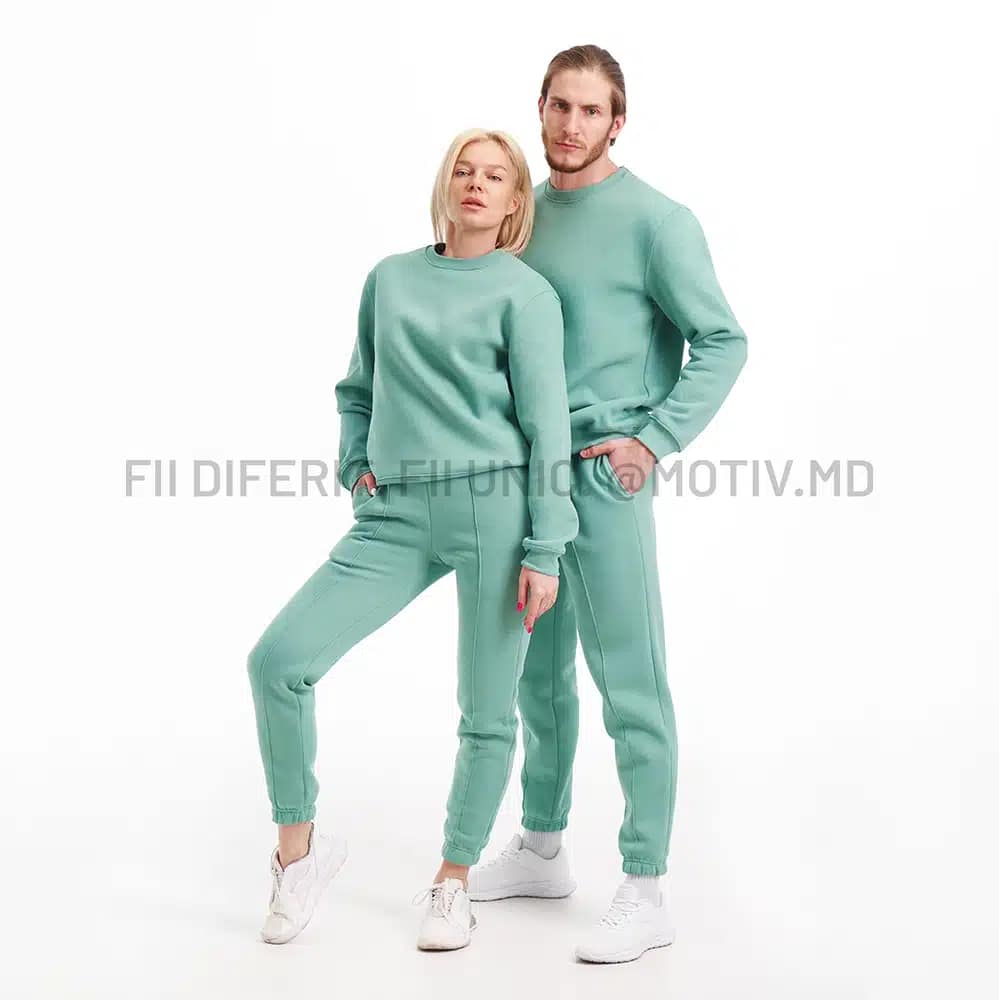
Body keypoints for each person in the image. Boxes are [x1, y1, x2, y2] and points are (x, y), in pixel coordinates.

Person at [246, 128, 579, 951]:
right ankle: (298, 856)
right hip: (393, 514)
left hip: (496, 512)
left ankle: (452, 882)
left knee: (485, 711)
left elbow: (548, 427)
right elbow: (356, 388)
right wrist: (354, 463)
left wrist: (544, 548)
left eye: (494, 174)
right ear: (445, 184)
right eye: (463, 170)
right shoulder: (390, 279)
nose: (475, 183)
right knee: (278, 662)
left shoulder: (526, 294)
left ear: (514, 200)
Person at [468, 45, 749, 964]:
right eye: (559, 106)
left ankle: (646, 884)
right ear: (539, 108)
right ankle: (542, 845)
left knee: (630, 677)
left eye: (591, 111)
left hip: (602, 472)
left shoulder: (658, 223)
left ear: (617, 122)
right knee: (536, 673)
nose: (570, 125)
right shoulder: (522, 214)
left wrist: (652, 439)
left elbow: (722, 339)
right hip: (522, 475)